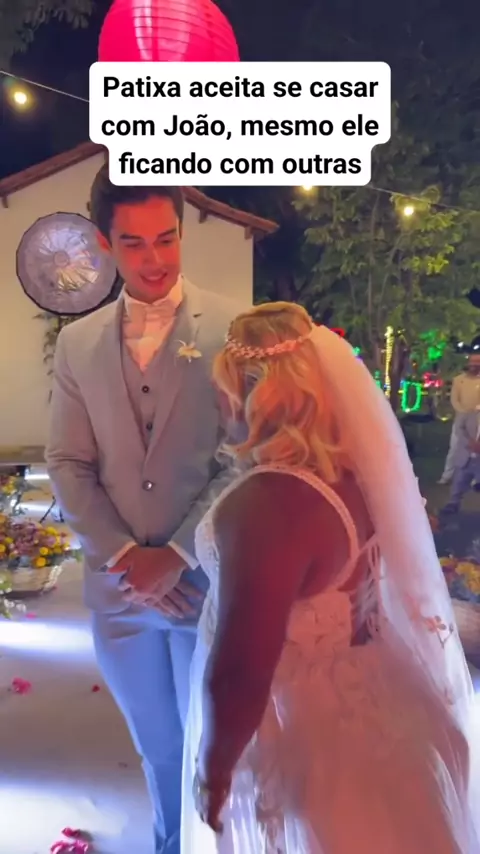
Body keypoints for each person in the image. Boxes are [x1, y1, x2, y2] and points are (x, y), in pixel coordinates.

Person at [179, 302, 480, 853]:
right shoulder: (349, 478)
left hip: (305, 723)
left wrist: (214, 768)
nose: (221, 403)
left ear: (257, 391)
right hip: (378, 695)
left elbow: (243, 667)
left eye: (226, 387)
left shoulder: (270, 503)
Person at [45, 167, 240, 854]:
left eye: (166, 238)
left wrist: (179, 553)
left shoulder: (234, 330)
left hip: (205, 585)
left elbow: (244, 459)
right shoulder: (77, 345)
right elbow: (68, 462)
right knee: (157, 746)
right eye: (134, 243)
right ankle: (167, 844)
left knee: (212, 744)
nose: (155, 260)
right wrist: (128, 556)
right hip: (118, 593)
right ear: (105, 244)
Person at [438, 355, 480, 484]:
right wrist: (463, 412)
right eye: (472, 363)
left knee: (477, 450)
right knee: (455, 447)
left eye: (477, 363)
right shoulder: (458, 380)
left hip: (478, 420)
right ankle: (447, 475)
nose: (474, 365)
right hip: (461, 419)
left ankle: (475, 478)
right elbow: (454, 399)